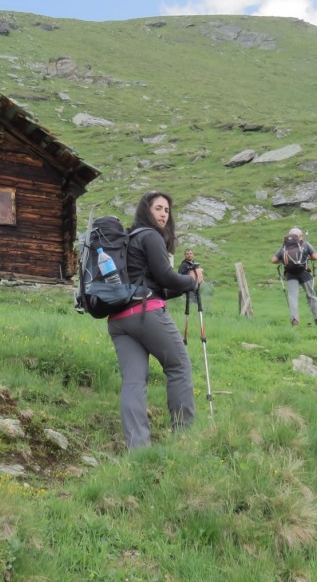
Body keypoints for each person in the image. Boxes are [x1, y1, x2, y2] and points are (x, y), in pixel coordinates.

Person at [107, 191, 203, 450]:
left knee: (133, 381)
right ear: (146, 210)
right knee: (179, 365)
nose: (163, 214)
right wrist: (192, 281)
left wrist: (183, 285)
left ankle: (138, 450)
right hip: (145, 313)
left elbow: (158, 286)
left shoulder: (127, 240)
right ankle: (185, 437)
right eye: (158, 208)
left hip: (118, 319)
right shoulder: (150, 236)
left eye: (167, 210)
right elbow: (166, 277)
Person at [271, 227, 317, 326]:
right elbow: (316, 257)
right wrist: (308, 257)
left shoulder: (285, 247)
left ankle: (295, 319)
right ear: (300, 236)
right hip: (304, 273)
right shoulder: (305, 245)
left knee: (293, 297)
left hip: (290, 274)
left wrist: (283, 260)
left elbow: (273, 260)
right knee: (311, 295)